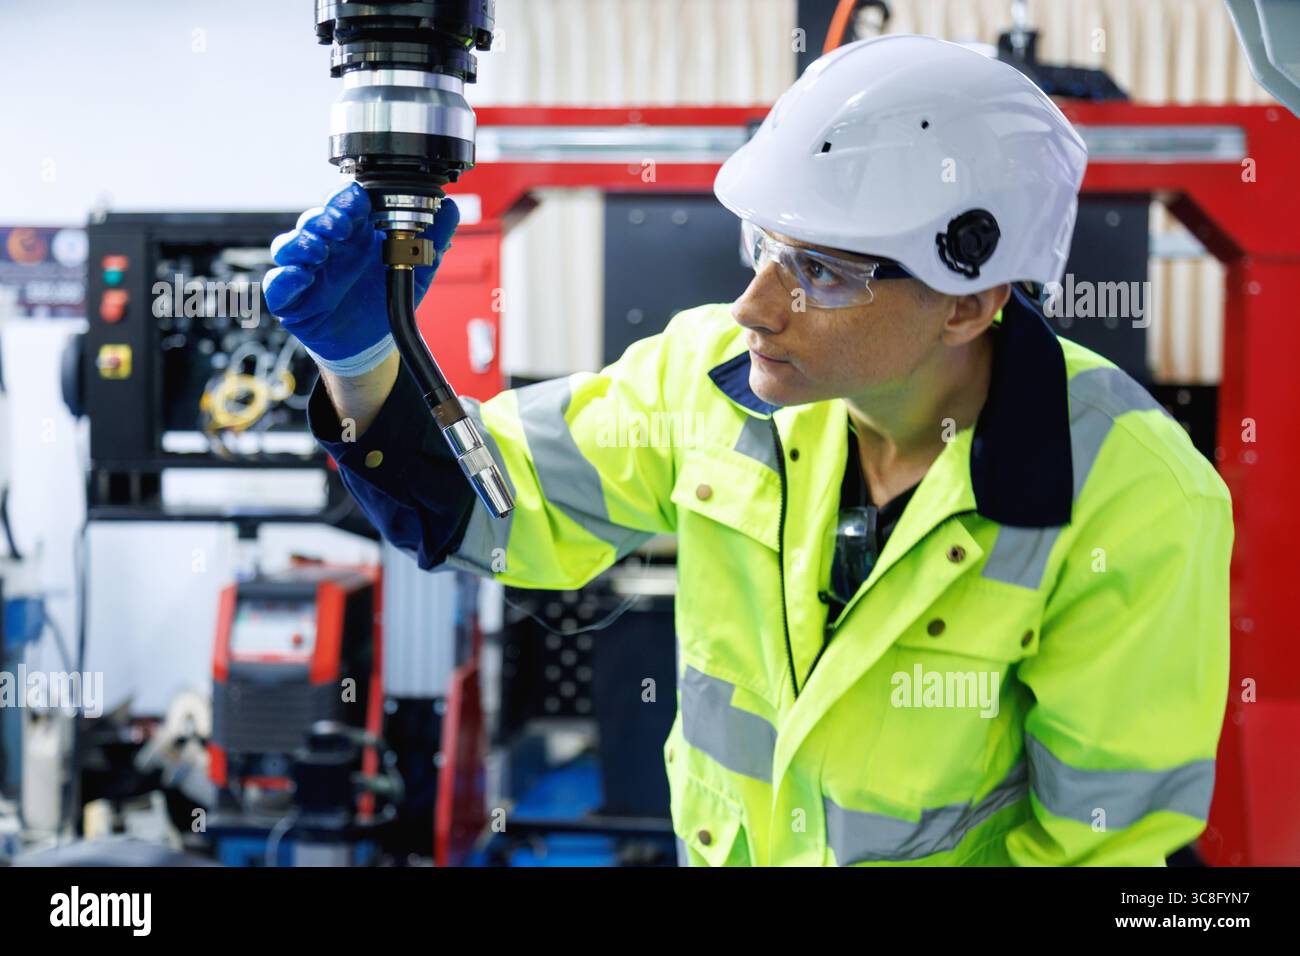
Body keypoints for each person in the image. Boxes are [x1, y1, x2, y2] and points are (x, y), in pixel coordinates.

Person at [263, 35, 1233, 866]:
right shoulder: (714, 374)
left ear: (971, 301)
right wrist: (359, 359)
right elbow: (493, 507)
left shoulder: (1130, 497)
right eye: (762, 248)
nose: (756, 305)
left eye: (821, 270)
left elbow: (1101, 842)